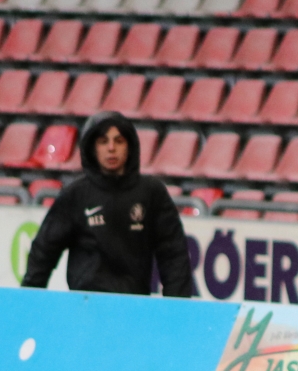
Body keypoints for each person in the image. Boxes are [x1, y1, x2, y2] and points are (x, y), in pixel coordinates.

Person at [21, 111, 196, 298]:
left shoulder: (151, 193)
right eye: (103, 141)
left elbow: (174, 255)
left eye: (119, 141)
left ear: (129, 146)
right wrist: (28, 301)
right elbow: (44, 252)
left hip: (133, 304)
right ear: (92, 148)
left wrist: (177, 307)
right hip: (86, 304)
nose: (111, 148)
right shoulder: (76, 194)